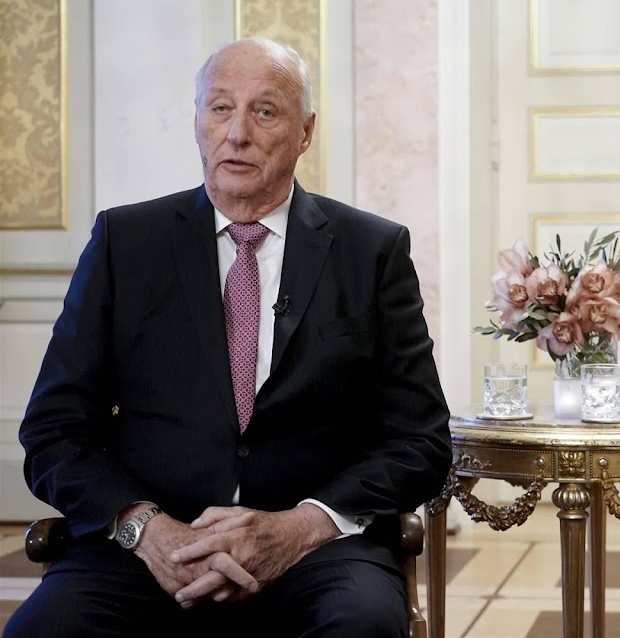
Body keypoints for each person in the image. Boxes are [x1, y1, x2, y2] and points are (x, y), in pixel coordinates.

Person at [5, 37, 452, 637]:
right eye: (220, 108)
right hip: (144, 552)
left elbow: (420, 440)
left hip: (315, 552)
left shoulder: (371, 250)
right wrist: (146, 528)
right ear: (197, 123)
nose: (237, 133)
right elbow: (53, 431)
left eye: (265, 111)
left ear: (305, 131)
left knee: (361, 625)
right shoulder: (124, 243)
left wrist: (301, 527)